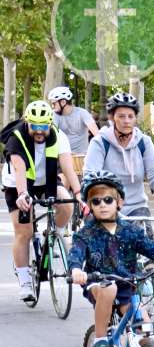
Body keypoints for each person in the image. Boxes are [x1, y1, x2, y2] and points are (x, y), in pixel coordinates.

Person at [69, 171, 154, 347]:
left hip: (127, 283)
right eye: (96, 201)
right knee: (108, 289)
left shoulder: (130, 230)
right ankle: (100, 341)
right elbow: (75, 254)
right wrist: (76, 270)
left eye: (108, 199)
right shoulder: (85, 233)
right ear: (89, 206)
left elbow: (152, 248)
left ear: (119, 202)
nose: (102, 204)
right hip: (98, 283)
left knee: (145, 326)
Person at [3, 100, 82, 301]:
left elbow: (67, 168)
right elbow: (20, 170)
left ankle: (54, 233)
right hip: (17, 184)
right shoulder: (16, 138)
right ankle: (25, 280)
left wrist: (79, 195)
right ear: (27, 123)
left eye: (43, 127)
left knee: (65, 200)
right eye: (34, 126)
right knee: (24, 231)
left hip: (45, 180)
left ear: (50, 124)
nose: (39, 131)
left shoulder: (59, 137)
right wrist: (23, 195)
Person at [83, 93, 154, 237]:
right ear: (112, 118)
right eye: (121, 116)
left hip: (137, 208)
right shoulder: (100, 143)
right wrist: (90, 203)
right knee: (100, 248)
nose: (126, 121)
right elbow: (90, 177)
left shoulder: (144, 142)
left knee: (145, 243)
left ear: (135, 118)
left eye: (130, 116)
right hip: (105, 206)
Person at [48, 86, 99, 160]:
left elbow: (97, 134)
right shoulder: (54, 115)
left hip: (82, 158)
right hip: (62, 158)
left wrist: (95, 151)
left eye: (54, 103)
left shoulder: (82, 113)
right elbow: (51, 136)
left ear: (63, 102)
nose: (52, 106)